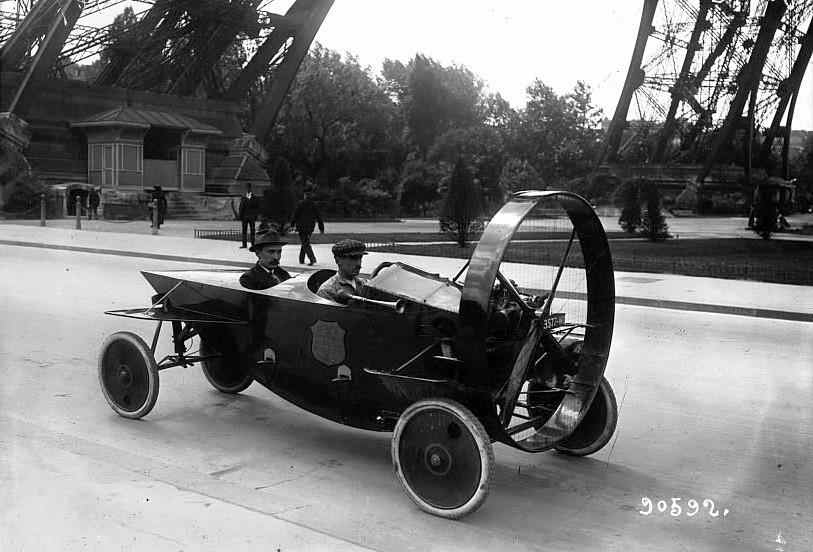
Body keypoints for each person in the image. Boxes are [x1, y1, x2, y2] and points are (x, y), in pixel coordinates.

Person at [317, 239, 367, 304]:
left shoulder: (365, 283)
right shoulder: (327, 291)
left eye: (360, 258)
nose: (358, 264)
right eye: (353, 258)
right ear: (338, 260)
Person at [291, 191, 324, 265]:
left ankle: (312, 259)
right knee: (305, 242)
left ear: (305, 196)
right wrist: (321, 228)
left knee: (305, 243)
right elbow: (319, 217)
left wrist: (292, 225)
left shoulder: (300, 204)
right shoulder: (314, 205)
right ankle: (301, 260)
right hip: (310, 227)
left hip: (301, 227)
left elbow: (295, 215)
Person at [236, 182, 260, 249]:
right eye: (246, 188)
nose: (247, 189)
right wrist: (240, 216)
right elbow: (241, 207)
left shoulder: (255, 198)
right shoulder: (243, 198)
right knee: (244, 231)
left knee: (252, 231)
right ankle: (244, 245)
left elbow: (257, 208)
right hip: (244, 217)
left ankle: (253, 244)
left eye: (249, 188)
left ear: (250, 188)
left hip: (252, 217)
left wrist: (255, 216)